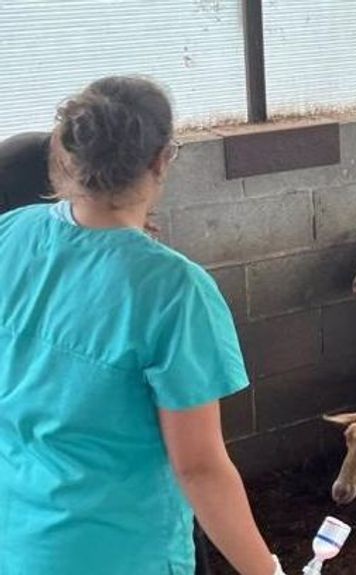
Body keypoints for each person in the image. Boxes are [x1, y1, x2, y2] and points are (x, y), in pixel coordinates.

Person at [0, 76, 286, 574]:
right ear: (161, 160)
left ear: (67, 155)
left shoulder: (11, 233)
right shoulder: (176, 291)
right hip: (119, 551)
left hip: (20, 539)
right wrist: (266, 570)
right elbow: (199, 467)